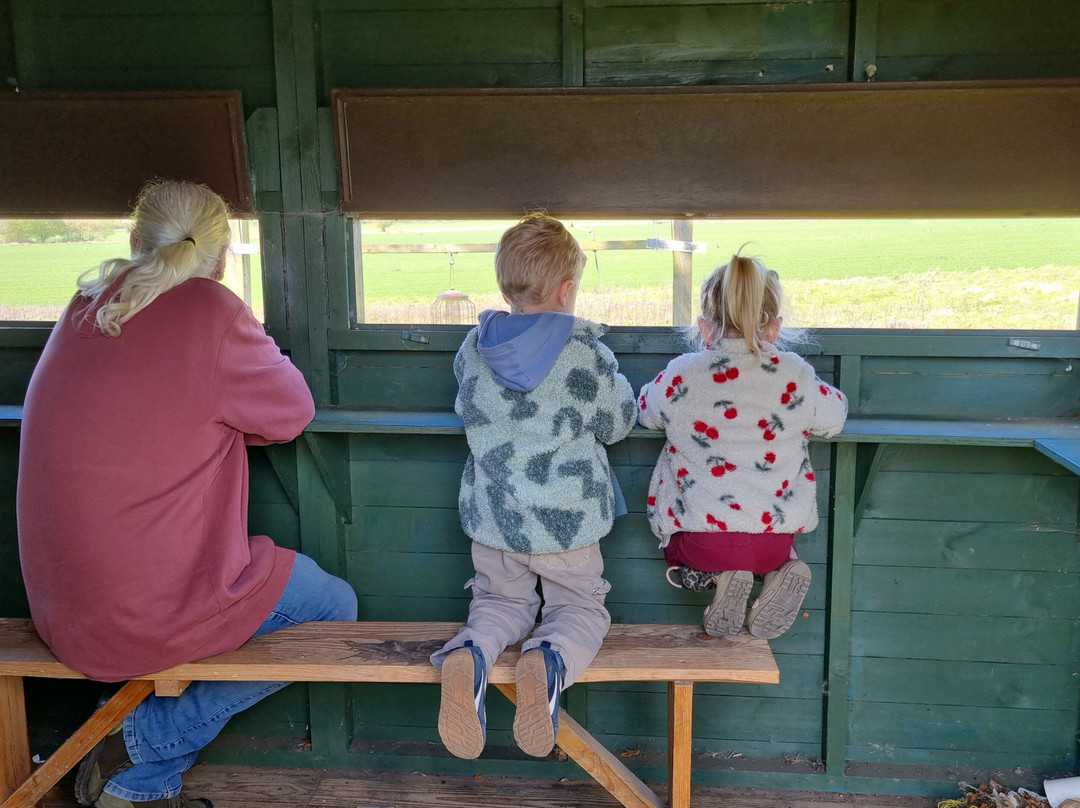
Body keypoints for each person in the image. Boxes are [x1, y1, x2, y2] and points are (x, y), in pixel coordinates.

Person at [16, 180, 358, 808]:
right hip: (143, 613)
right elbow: (292, 412)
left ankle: (134, 781)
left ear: (133, 240)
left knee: (173, 591)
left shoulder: (84, 305)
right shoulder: (211, 309)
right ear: (222, 256)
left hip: (60, 609)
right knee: (333, 606)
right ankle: (140, 745)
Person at [430, 213, 637, 760]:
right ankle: (547, 663)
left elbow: (470, 409)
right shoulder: (586, 352)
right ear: (568, 289)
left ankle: (470, 654)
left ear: (508, 284)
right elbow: (617, 424)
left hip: (495, 518)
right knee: (579, 610)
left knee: (499, 602)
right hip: (567, 522)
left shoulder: (474, 350)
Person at [636, 251, 847, 639]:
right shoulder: (795, 374)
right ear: (774, 327)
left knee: (685, 554)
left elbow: (646, 410)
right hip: (774, 546)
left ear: (703, 326)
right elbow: (834, 419)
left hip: (699, 543)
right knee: (767, 543)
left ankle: (717, 579)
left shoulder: (683, 373)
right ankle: (780, 572)